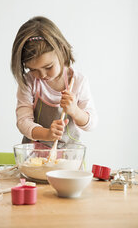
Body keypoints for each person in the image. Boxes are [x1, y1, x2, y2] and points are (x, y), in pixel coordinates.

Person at [11, 16, 98, 148]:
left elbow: (91, 124)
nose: (42, 75)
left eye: (48, 67)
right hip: (35, 157)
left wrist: (74, 110)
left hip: (70, 159)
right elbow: (23, 122)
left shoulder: (79, 81)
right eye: (33, 69)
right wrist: (47, 134)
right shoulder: (29, 82)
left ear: (61, 51)